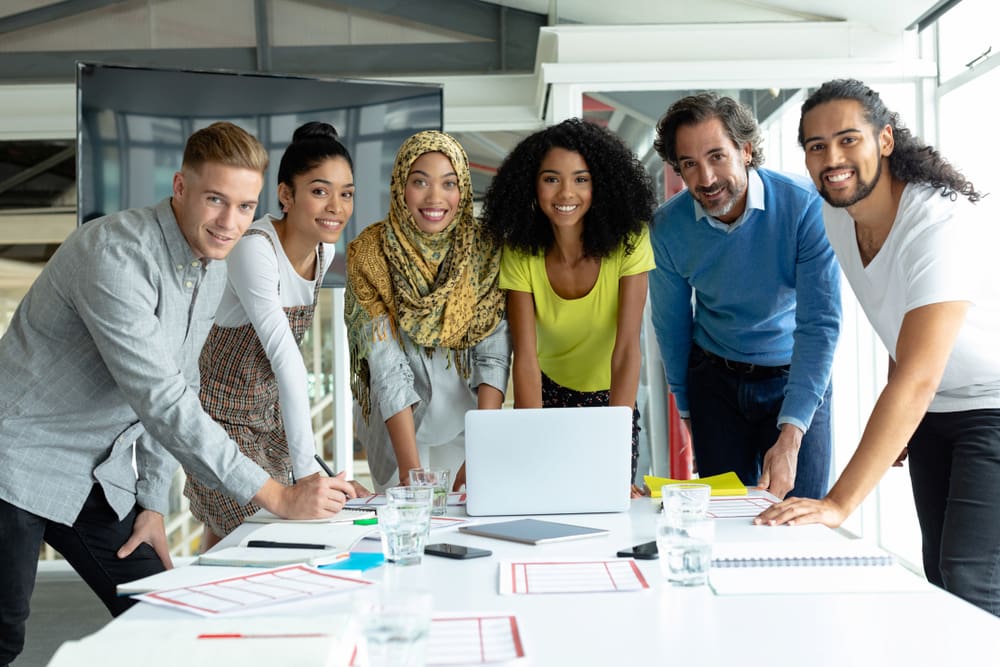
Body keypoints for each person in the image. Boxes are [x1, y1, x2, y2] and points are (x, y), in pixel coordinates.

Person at [0, 122, 357, 667]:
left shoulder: (209, 264)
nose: (230, 222)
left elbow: (185, 380)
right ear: (181, 188)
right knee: (4, 634)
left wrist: (149, 502)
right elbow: (162, 400)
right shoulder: (114, 257)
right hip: (17, 458)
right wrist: (277, 496)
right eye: (216, 200)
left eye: (244, 206)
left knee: (165, 616)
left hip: (95, 471)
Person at [756, 79, 1000, 616]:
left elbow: (917, 376)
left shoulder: (938, 220)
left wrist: (837, 505)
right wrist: (906, 423)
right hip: (938, 410)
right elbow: (901, 322)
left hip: (992, 405)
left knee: (971, 576)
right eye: (816, 146)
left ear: (885, 140)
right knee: (940, 569)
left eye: (848, 140)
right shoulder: (837, 216)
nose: (832, 158)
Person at [184, 122, 369, 550]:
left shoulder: (324, 251)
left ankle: (210, 611)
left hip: (267, 421)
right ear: (286, 195)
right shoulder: (255, 249)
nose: (337, 207)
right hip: (219, 419)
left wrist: (312, 473)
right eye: (320, 191)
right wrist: (307, 476)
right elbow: (286, 359)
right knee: (265, 533)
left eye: (347, 193)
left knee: (233, 537)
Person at [648, 93, 841, 500]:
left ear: (746, 149)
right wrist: (688, 412)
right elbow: (671, 327)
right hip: (715, 384)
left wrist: (791, 435)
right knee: (728, 521)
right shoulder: (668, 228)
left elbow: (819, 324)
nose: (705, 178)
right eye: (689, 164)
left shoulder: (805, 207)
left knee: (799, 516)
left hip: (795, 374)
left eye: (717, 156)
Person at [481, 118, 655, 494]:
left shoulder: (630, 242)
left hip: (613, 399)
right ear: (532, 184)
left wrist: (614, 447)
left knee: (610, 499)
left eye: (581, 179)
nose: (565, 193)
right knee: (543, 492)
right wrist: (534, 440)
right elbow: (524, 358)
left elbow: (627, 350)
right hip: (546, 393)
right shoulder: (520, 250)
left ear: (601, 184)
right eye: (550, 179)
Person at [345, 130, 510, 492]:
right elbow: (385, 367)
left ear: (462, 190)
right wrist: (410, 473)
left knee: (467, 525)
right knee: (408, 520)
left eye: (448, 184)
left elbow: (493, 357)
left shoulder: (485, 250)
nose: (436, 197)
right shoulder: (370, 254)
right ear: (400, 186)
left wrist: (481, 450)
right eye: (420, 182)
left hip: (468, 421)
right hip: (397, 428)